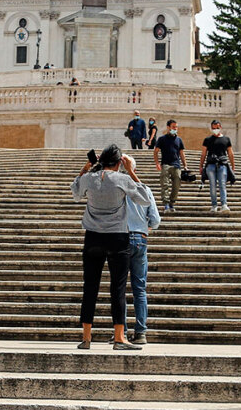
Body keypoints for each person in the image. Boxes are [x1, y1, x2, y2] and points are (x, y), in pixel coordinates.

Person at [71, 144, 150, 351]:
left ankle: (86, 337)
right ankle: (119, 337)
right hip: (117, 237)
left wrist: (86, 167)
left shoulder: (90, 177)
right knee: (118, 289)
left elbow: (75, 192)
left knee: (90, 288)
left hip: (93, 237)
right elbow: (144, 199)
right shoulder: (123, 179)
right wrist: (131, 172)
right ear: (118, 163)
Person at [121, 155, 160, 345]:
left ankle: (121, 331)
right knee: (139, 288)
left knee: (119, 288)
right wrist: (146, 226)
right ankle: (141, 332)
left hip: (121, 237)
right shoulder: (145, 190)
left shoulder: (118, 190)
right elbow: (156, 220)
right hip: (141, 238)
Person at [199, 120, 235, 213]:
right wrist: (201, 166)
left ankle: (224, 204)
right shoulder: (207, 140)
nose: (216, 129)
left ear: (221, 127)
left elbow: (230, 153)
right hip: (210, 165)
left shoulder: (226, 139)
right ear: (211, 128)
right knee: (213, 186)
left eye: (217, 128)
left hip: (222, 164)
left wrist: (232, 166)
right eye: (214, 128)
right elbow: (203, 154)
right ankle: (214, 205)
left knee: (222, 185)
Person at [153, 120, 186, 212]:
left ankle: (172, 202)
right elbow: (156, 151)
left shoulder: (179, 140)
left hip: (176, 165)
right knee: (165, 185)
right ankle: (166, 204)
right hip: (165, 165)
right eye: (173, 127)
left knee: (176, 186)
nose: (175, 128)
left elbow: (182, 153)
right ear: (168, 127)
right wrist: (157, 163)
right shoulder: (162, 139)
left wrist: (185, 165)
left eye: (176, 127)